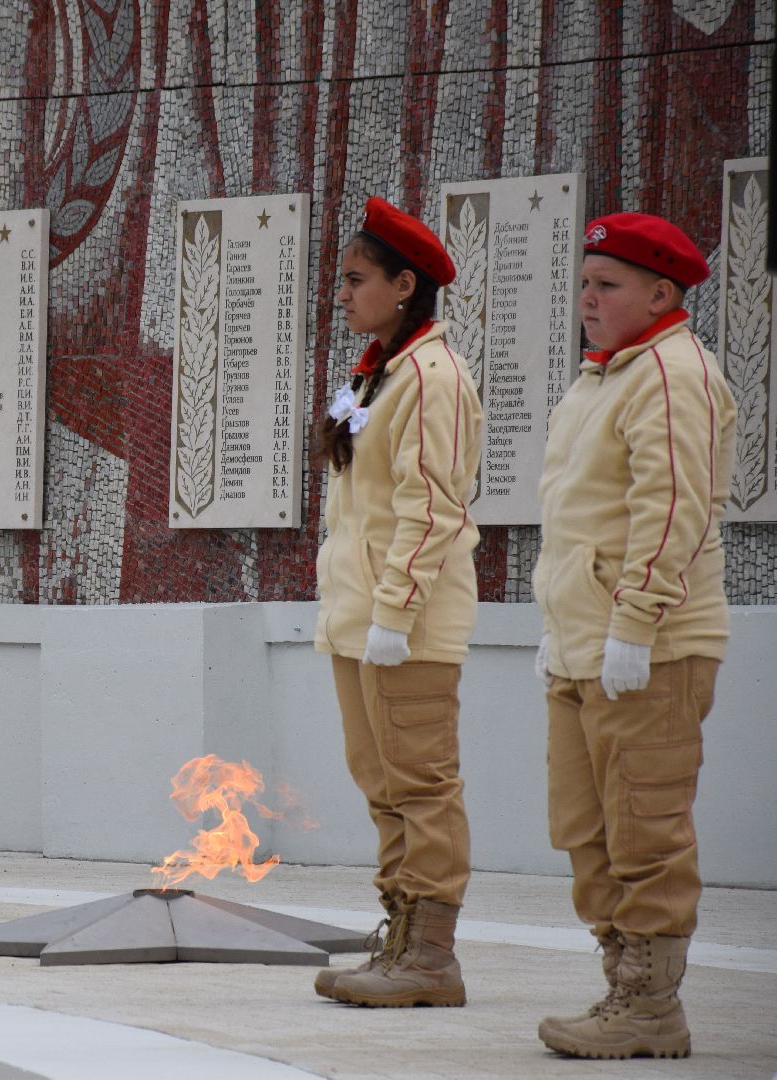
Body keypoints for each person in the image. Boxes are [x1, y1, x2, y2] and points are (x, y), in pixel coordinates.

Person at [534, 214, 734, 1060]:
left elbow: (674, 505)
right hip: (586, 640)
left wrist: (634, 624)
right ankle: (623, 984)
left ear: (661, 293)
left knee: (645, 826)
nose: (587, 298)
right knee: (589, 828)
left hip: (648, 644)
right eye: (583, 282)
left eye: (606, 284)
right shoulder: (604, 377)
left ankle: (652, 1006)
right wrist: (566, 629)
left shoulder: (670, 373)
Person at [311, 197, 482, 1008]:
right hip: (360, 619)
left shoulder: (431, 377)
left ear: (404, 284)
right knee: (381, 783)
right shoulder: (376, 369)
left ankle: (431, 957)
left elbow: (433, 507)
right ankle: (401, 934)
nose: (340, 295)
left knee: (421, 784)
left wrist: (395, 614)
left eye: (354, 280)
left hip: (404, 626)